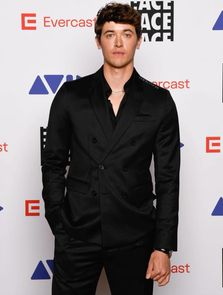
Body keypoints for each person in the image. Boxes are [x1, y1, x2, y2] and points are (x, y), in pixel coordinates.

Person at [42, 3, 180, 295]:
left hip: (135, 233)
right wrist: (58, 219)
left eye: (126, 34)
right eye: (110, 34)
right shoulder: (71, 96)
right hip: (78, 231)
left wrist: (163, 245)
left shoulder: (159, 102)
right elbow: (53, 161)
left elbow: (168, 178)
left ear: (139, 40)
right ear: (98, 41)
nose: (118, 43)